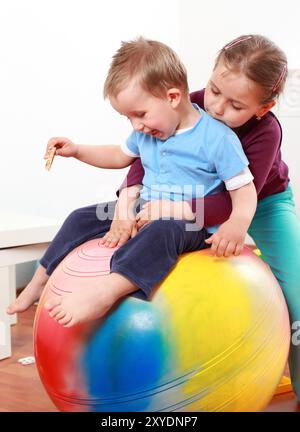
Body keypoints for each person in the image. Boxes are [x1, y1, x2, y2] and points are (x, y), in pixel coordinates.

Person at [8, 34, 300, 400]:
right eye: (213, 90)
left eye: (235, 104)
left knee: (298, 294)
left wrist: (190, 212)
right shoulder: (182, 107)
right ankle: (40, 279)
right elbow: (138, 157)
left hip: (257, 200)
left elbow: (238, 198)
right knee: (85, 217)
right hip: (167, 202)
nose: (217, 107)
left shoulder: (253, 132)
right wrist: (127, 205)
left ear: (263, 107)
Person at [7, 36, 257, 327]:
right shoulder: (145, 133)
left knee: (162, 232)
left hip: (189, 223)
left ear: (173, 98)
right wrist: (77, 151)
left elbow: (244, 189)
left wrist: (238, 223)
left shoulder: (218, 138)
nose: (136, 125)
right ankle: (40, 280)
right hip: (144, 207)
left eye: (140, 114)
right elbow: (118, 155)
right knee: (80, 218)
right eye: (129, 118)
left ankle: (106, 290)